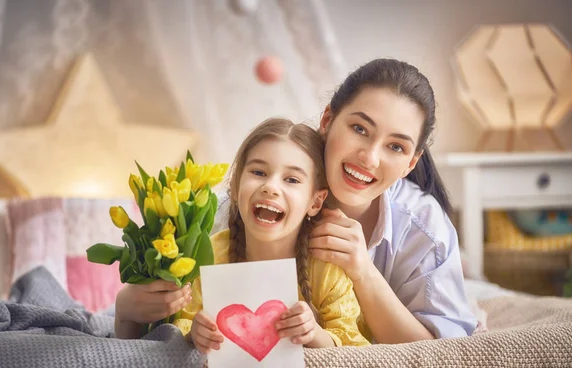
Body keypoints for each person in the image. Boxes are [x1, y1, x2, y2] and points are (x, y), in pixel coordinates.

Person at [213, 59, 477, 344]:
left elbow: (442, 353)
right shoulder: (251, 203)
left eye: (396, 147)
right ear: (327, 121)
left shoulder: (424, 230)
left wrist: (363, 271)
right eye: (360, 129)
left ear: (410, 164)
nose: (370, 158)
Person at [177, 118, 369, 353]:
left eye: (292, 180)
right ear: (236, 186)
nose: (271, 187)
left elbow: (355, 348)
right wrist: (193, 334)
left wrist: (314, 334)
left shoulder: (326, 267)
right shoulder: (207, 256)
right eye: (258, 172)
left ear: (316, 201)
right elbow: (181, 321)